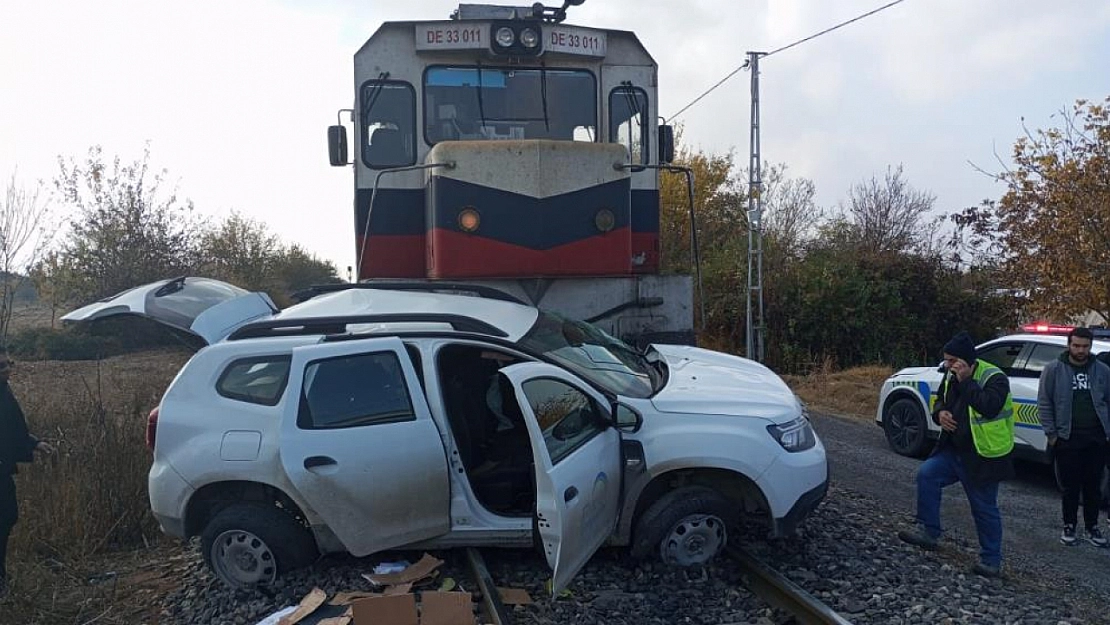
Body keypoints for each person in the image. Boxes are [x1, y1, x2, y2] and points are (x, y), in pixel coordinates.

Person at [898, 331, 1016, 578]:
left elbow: (989, 407)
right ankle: (928, 532)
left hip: (983, 455)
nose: (947, 365)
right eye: (946, 360)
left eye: (952, 361)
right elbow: (939, 400)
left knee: (984, 508)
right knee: (927, 476)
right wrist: (939, 414)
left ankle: (991, 560)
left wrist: (966, 381)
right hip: (953, 450)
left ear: (965, 361)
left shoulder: (994, 378)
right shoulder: (951, 375)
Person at [1037, 327, 1110, 547]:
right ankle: (1069, 525)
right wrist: (1052, 434)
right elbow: (1044, 402)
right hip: (1068, 437)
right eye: (1076, 345)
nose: (1081, 350)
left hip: (1096, 438)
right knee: (1070, 486)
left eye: (1085, 346)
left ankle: (1092, 527)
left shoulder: (1102, 371)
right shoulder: (1054, 369)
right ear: (1069, 345)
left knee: (1093, 485)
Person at [0, 347, 53, 598]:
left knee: (7, 518)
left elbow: (11, 428)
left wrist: (33, 443)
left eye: (8, 363)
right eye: (1, 366)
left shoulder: (4, 390)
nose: (7, 369)